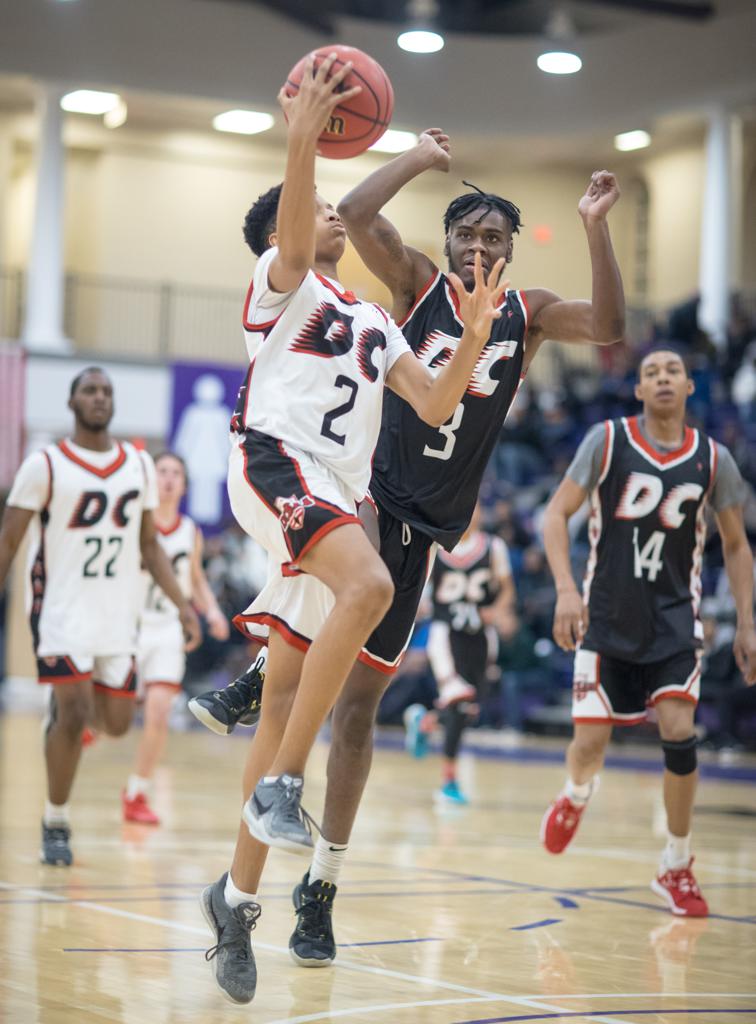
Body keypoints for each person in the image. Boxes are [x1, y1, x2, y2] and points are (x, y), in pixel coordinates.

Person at [194, 126, 625, 970]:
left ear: (507, 250)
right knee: (302, 684)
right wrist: (420, 158)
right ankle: (260, 699)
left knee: (357, 715)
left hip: (423, 527)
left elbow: (608, 324)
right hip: (356, 497)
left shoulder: (522, 314)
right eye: (464, 233)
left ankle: (318, 886)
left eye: (492, 238)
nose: (475, 247)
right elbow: (351, 213)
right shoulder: (412, 283)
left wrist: (595, 223)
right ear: (448, 242)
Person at [199, 58, 510, 1006]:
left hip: (332, 493)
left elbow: (438, 396)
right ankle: (283, 786)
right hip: (277, 465)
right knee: (370, 588)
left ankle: (236, 899)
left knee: (292, 697)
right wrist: (300, 133)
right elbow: (299, 217)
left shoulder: (375, 317)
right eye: (321, 206)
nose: (336, 213)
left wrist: (476, 327)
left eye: (337, 205)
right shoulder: (282, 284)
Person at [540, 347, 756, 917]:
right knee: (589, 748)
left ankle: (676, 864)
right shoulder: (607, 442)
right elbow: (554, 515)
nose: (662, 379)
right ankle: (576, 793)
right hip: (606, 618)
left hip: (673, 623)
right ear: (637, 390)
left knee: (679, 731)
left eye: (673, 372)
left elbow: (736, 544)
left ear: (690, 387)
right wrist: (565, 588)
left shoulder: (714, 460)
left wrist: (747, 622)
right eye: (651, 373)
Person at [0, 367, 201, 867]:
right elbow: (9, 540)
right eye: (89, 390)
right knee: (70, 714)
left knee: (114, 723)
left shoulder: (137, 465)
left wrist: (182, 605)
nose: (99, 398)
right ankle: (56, 820)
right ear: (71, 402)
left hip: (118, 613)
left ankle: (65, 723)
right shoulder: (44, 464)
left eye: (107, 391)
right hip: (62, 610)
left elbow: (150, 546)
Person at [122, 451, 230, 825]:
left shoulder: (190, 531)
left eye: (175, 474)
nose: (168, 479)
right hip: (130, 624)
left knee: (158, 712)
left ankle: (137, 791)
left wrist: (212, 611)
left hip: (168, 627)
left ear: (184, 484)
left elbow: (195, 580)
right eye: (162, 471)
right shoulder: (136, 521)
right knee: (113, 712)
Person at [404, 502, 515, 803]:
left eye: (478, 505)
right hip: (445, 635)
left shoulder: (494, 547)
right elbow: (422, 596)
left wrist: (499, 610)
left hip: (481, 637)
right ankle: (449, 782)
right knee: (460, 699)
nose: (473, 510)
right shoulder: (437, 547)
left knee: (465, 708)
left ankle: (425, 721)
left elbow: (507, 589)